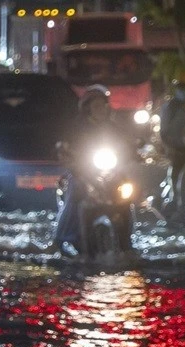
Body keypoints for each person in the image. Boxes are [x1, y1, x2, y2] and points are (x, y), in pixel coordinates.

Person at [53, 85, 132, 253]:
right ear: (88, 108)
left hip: (110, 172)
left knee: (126, 195)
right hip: (82, 172)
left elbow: (126, 145)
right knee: (75, 191)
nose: (100, 109)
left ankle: (127, 243)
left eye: (103, 105)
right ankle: (58, 239)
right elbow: (64, 145)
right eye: (96, 106)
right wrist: (67, 151)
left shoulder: (113, 128)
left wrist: (133, 149)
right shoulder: (76, 127)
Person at [159, 71, 185, 194]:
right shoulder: (169, 108)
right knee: (177, 185)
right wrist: (171, 149)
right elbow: (164, 133)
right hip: (178, 154)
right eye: (183, 87)